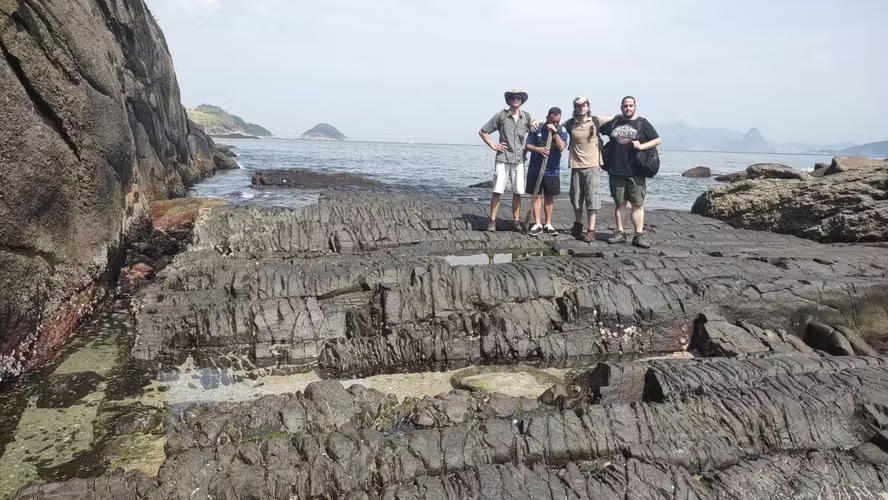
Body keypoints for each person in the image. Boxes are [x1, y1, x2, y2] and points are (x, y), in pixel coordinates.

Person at [599, 96, 661, 248]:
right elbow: (597, 122)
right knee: (620, 203)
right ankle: (620, 233)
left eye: (631, 105)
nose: (628, 108)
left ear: (635, 107)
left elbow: (657, 140)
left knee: (637, 204)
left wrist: (641, 146)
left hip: (636, 171)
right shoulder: (615, 122)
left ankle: (638, 236)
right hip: (616, 170)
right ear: (621, 107)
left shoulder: (642, 123)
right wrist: (614, 117)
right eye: (625, 106)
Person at [479, 89, 538, 232]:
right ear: (509, 100)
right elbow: (483, 131)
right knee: (497, 190)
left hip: (519, 160)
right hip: (503, 158)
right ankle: (492, 221)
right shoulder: (501, 116)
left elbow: (535, 126)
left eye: (518, 97)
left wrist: (537, 121)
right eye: (513, 97)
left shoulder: (526, 117)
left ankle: (516, 222)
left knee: (518, 192)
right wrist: (494, 145)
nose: (515, 99)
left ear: (522, 100)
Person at [562, 97, 618, 242]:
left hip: (593, 165)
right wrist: (537, 122)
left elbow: (616, 117)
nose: (581, 108)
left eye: (584, 105)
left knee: (592, 198)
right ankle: (578, 224)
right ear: (575, 107)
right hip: (576, 165)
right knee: (576, 198)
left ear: (588, 106)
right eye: (578, 105)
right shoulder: (569, 123)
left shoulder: (596, 120)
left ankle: (591, 230)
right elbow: (555, 126)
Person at [525, 107, 568, 236]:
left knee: (549, 197)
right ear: (547, 117)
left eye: (557, 121)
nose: (555, 123)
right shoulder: (537, 128)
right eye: (552, 120)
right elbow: (527, 145)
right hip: (535, 169)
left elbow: (561, 148)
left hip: (552, 170)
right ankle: (537, 223)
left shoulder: (562, 130)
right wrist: (538, 149)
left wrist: (555, 132)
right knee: (536, 195)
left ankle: (548, 223)